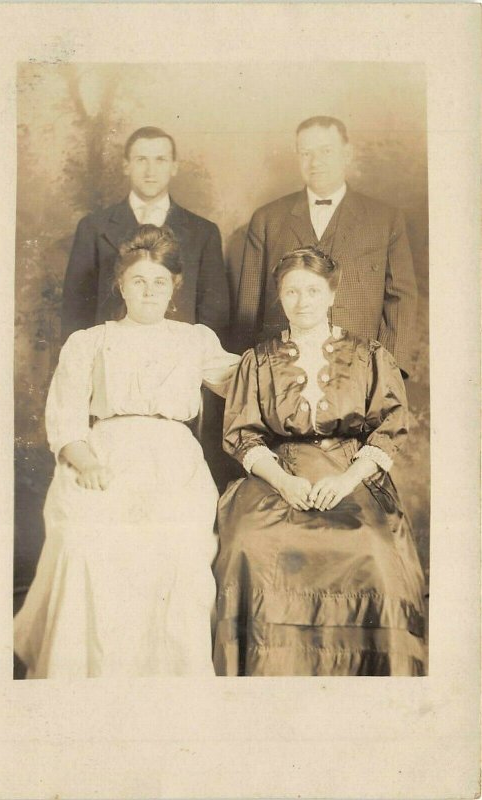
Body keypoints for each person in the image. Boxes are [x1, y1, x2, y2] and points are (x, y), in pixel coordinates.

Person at [14, 225, 239, 678]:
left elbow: (251, 380)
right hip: (104, 456)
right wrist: (87, 462)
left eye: (159, 281)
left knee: (173, 549)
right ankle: (89, 677)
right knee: (85, 544)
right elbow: (66, 417)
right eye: (138, 280)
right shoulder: (90, 342)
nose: (149, 290)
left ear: (175, 285)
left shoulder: (194, 340)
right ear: (121, 285)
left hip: (173, 463)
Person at [213, 247, 426, 676]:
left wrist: (347, 481)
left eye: (312, 290)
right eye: (292, 291)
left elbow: (390, 426)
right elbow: (243, 433)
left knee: (374, 550)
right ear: (280, 297)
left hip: (350, 474)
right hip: (278, 475)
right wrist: (285, 481)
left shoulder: (368, 355)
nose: (302, 300)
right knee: (247, 545)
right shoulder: (258, 360)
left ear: (332, 293)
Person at [234, 116, 417, 377]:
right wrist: (250, 372)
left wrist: (389, 373)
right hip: (280, 369)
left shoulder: (385, 220)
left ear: (347, 154)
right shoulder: (267, 219)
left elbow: (401, 299)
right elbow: (248, 307)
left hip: (361, 369)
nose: (316, 162)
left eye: (326, 151)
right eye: (306, 153)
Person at [61, 126, 229, 344]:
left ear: (174, 167)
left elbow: (214, 314)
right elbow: (76, 308)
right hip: (113, 353)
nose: (151, 171)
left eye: (160, 160)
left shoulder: (203, 233)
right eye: (141, 159)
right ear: (126, 165)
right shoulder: (93, 228)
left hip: (177, 357)